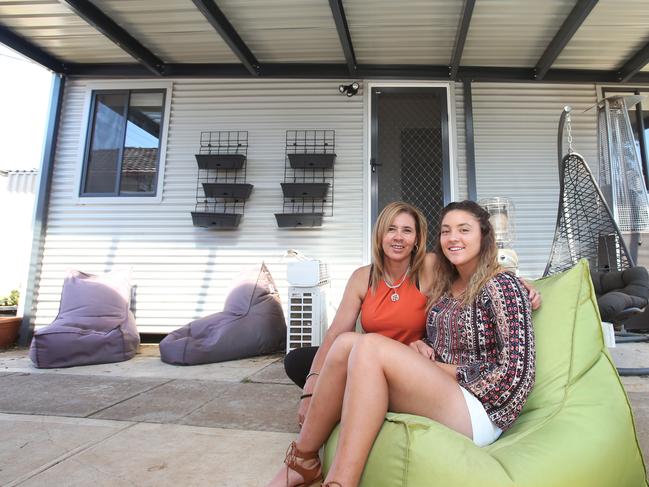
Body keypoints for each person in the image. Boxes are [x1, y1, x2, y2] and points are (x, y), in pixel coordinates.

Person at [267, 200, 536, 487]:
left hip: (481, 409)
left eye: (464, 230)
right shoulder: (448, 284)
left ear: (484, 236)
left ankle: (340, 482)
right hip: (429, 383)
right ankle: (302, 461)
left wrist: (524, 285)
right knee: (346, 342)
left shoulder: (500, 286)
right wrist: (419, 345)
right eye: (446, 231)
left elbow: (515, 375)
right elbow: (438, 337)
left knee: (367, 346)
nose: (453, 238)